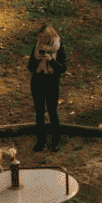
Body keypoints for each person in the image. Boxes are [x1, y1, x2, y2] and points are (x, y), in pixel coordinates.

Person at [28, 23, 68, 152]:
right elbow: (30, 67)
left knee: (52, 111)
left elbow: (63, 68)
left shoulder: (59, 47)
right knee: (39, 113)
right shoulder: (37, 48)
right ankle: (41, 141)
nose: (43, 41)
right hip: (38, 81)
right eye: (41, 38)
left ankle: (56, 141)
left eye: (45, 38)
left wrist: (51, 60)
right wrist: (38, 59)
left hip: (52, 82)